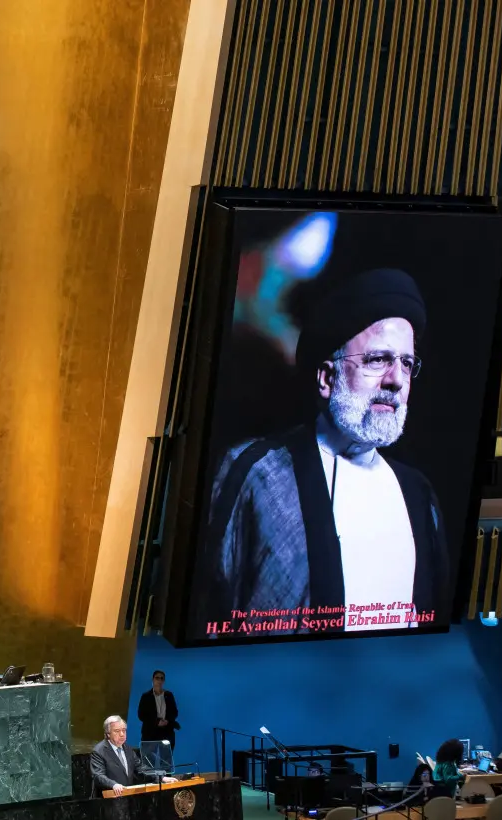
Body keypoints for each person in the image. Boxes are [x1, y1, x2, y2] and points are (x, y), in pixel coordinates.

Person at [200, 268, 446, 635]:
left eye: (407, 364)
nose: (396, 380)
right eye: (378, 360)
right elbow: (209, 609)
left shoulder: (417, 493)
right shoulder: (257, 471)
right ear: (327, 378)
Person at [90, 715, 176, 795]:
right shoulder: (99, 751)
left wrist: (161, 778)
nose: (122, 734)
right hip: (108, 800)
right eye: (117, 731)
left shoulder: (127, 749)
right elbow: (98, 776)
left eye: (124, 730)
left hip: (127, 797)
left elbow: (141, 768)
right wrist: (114, 785)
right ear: (108, 734)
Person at [136, 670, 179, 746]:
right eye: (157, 678)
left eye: (162, 678)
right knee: (149, 757)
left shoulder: (169, 695)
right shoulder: (146, 696)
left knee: (165, 757)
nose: (159, 680)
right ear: (152, 680)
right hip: (150, 732)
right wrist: (156, 722)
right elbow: (141, 715)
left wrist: (167, 721)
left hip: (167, 732)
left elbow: (174, 712)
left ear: (164, 681)